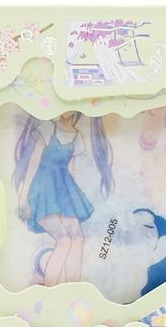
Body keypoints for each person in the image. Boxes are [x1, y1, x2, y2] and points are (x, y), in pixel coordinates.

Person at [14, 112, 112, 286]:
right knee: (64, 240)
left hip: (63, 190)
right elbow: (33, 164)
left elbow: (71, 170)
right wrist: (24, 198)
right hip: (43, 189)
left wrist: (72, 200)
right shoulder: (48, 128)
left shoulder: (77, 137)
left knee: (78, 239)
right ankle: (51, 288)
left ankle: (72, 288)